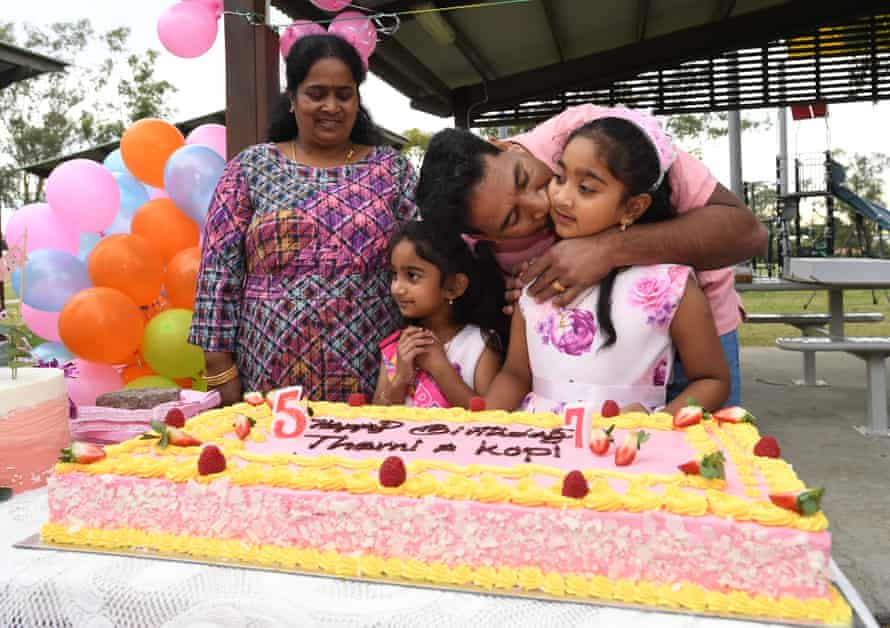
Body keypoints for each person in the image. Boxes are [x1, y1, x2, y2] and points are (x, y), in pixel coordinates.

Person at [416, 106, 767, 407]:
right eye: (512, 220)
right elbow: (515, 370)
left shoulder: (596, 138)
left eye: (525, 180)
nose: (547, 203)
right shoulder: (471, 235)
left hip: (694, 334)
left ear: (499, 144)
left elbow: (747, 232)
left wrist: (607, 249)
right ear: (479, 237)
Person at [189, 34, 417, 405]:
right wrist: (219, 370)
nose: (332, 106)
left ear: (357, 100)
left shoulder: (392, 170)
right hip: (266, 384)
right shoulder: (251, 168)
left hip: (376, 383)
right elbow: (217, 275)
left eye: (344, 94)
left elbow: (426, 258)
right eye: (316, 93)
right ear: (292, 99)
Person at [484, 112, 730, 414]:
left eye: (586, 188)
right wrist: (482, 427)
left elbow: (711, 380)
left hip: (629, 452)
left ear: (632, 207)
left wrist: (658, 426)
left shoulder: (671, 287)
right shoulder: (537, 279)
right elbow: (515, 374)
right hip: (541, 453)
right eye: (560, 178)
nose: (561, 197)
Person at [373, 220, 504, 408]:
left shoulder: (480, 344)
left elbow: (488, 418)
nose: (397, 288)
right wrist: (401, 379)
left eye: (412, 276)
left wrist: (440, 368)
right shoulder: (397, 347)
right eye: (394, 275)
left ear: (453, 286)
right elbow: (374, 417)